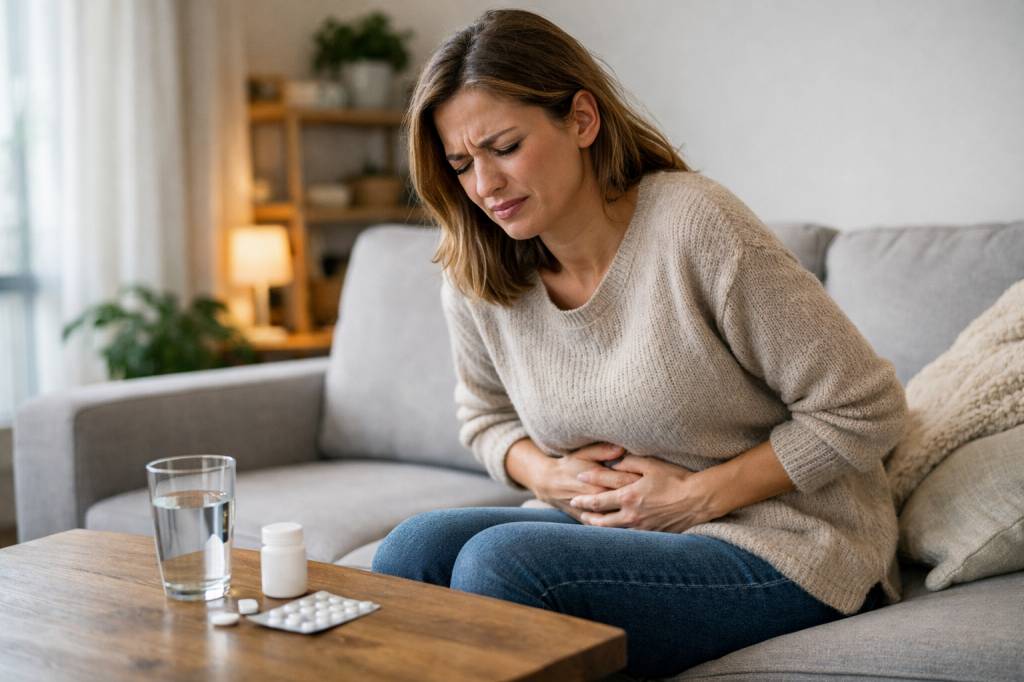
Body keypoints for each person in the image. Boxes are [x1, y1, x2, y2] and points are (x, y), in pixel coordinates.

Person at [372, 8, 907, 678]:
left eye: (504, 148)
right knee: (412, 551)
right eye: (460, 164)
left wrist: (695, 498)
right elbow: (486, 419)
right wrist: (547, 475)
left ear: (582, 120)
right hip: (619, 529)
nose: (485, 187)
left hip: (782, 540)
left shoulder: (694, 225)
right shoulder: (478, 270)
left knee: (504, 564)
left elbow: (867, 407)